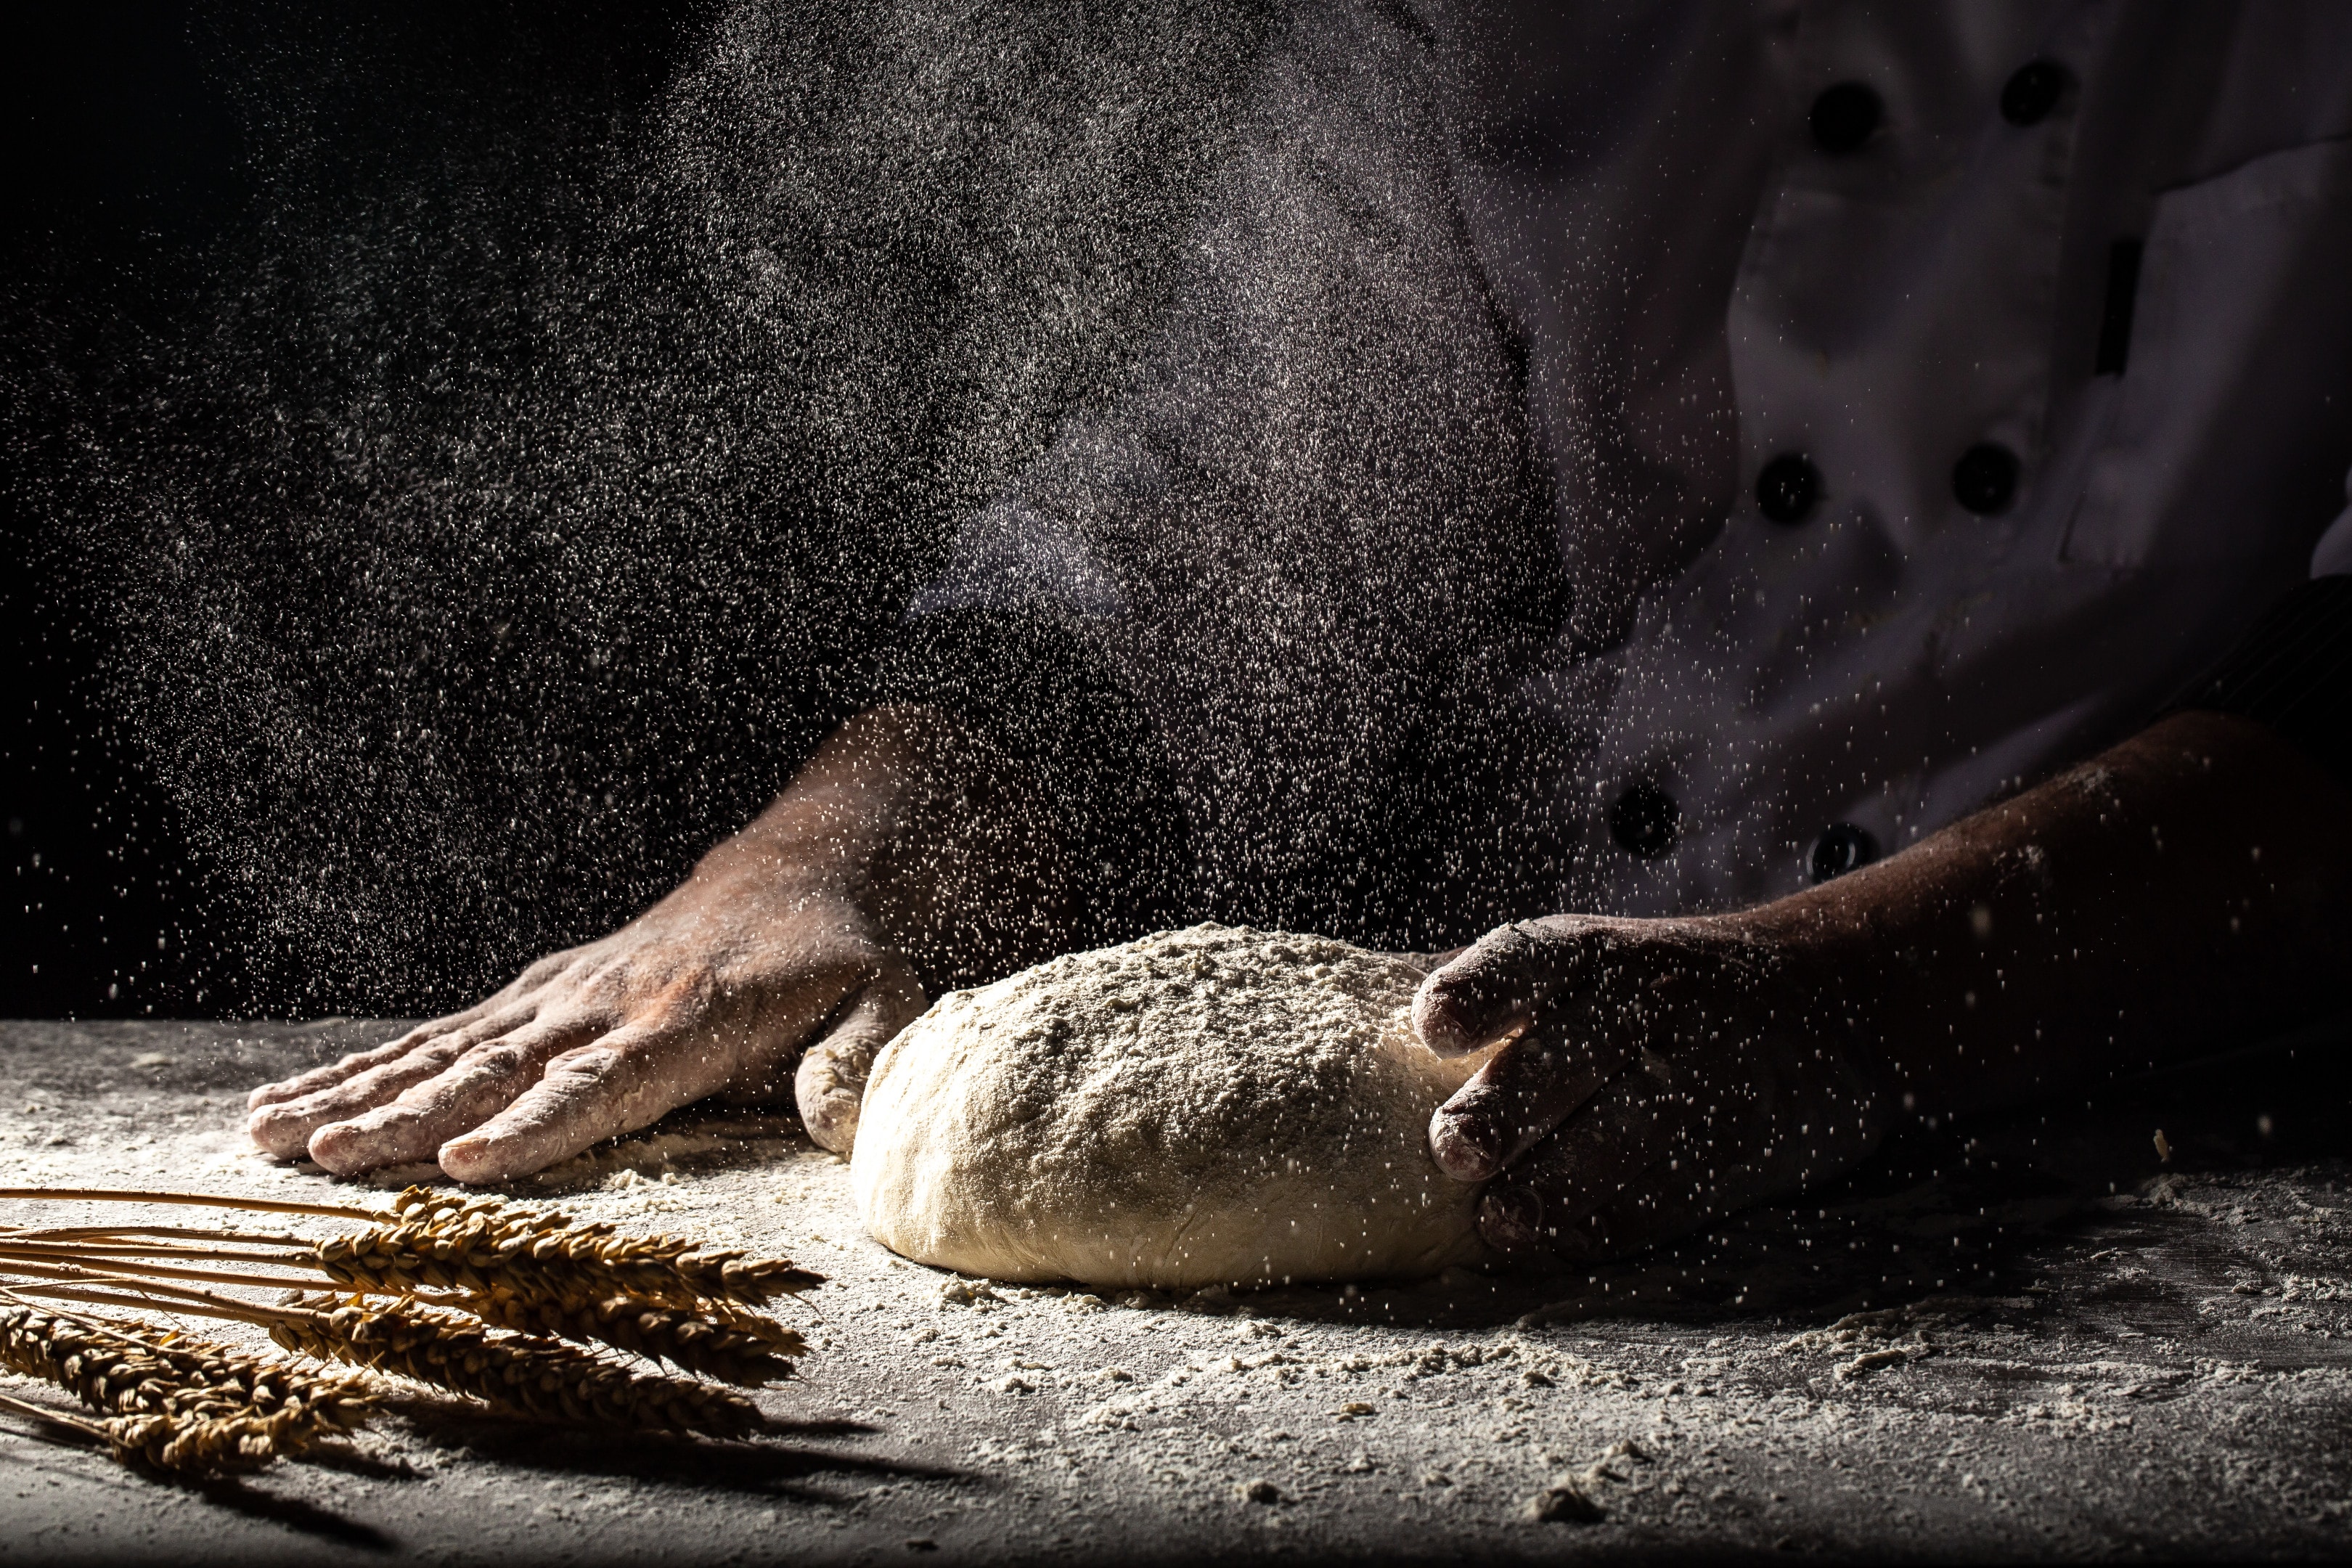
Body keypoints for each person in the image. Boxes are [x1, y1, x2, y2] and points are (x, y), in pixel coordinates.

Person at [246, 1, 2352, 1267]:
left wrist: (1859, 1006)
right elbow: (1213, 523)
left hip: (2231, 1147)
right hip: (1576, 1117)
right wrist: (825, 855)